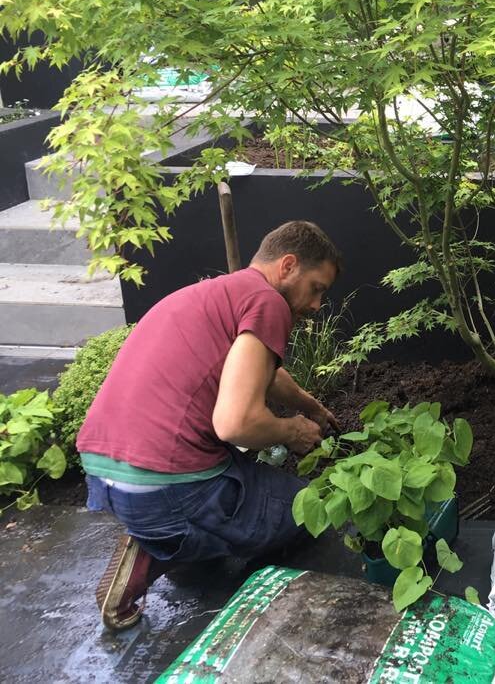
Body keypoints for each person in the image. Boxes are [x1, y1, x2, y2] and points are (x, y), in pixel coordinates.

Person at [77, 220, 343, 630]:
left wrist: (311, 406)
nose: (316, 305)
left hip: (105, 470)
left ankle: (163, 534)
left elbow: (263, 373)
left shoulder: (218, 293)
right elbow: (236, 423)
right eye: (317, 288)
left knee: (240, 475)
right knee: (308, 508)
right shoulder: (268, 303)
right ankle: (160, 549)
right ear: (287, 266)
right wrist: (293, 431)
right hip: (163, 486)